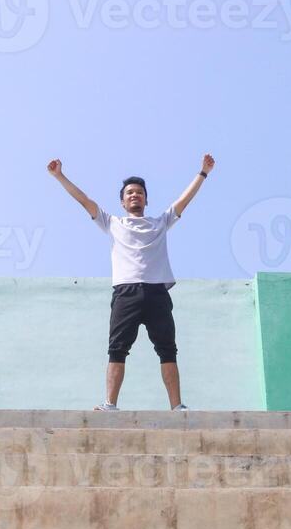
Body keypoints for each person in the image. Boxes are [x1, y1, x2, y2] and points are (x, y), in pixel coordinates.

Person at [47, 155, 216, 410]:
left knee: (167, 350)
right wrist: (60, 176)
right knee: (117, 348)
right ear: (122, 201)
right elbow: (84, 201)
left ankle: (177, 407)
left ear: (146, 199)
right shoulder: (112, 223)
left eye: (139, 192)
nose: (134, 195)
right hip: (125, 292)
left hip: (157, 291)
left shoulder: (161, 221)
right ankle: (109, 405)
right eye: (129, 193)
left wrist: (203, 173)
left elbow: (184, 201)